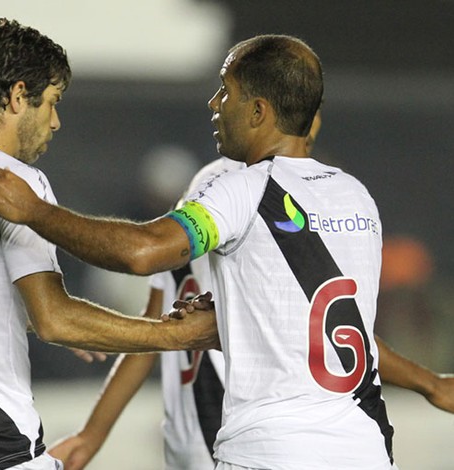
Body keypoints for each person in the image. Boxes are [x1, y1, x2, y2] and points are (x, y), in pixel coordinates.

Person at [0, 34, 404, 469]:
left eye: (226, 91)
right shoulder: (356, 197)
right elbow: (330, 322)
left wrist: (34, 211)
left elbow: (143, 253)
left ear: (259, 112)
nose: (214, 104)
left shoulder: (240, 187)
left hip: (273, 450)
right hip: (363, 446)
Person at [0, 18, 218, 470]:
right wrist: (175, 335)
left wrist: (67, 322)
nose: (55, 122)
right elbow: (56, 319)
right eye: (52, 103)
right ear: (18, 97)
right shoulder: (13, 181)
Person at [46, 111, 454, 470]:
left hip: (207, 434)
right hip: (233, 431)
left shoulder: (212, 189)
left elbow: (331, 331)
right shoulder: (245, 195)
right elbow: (331, 333)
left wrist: (93, 432)